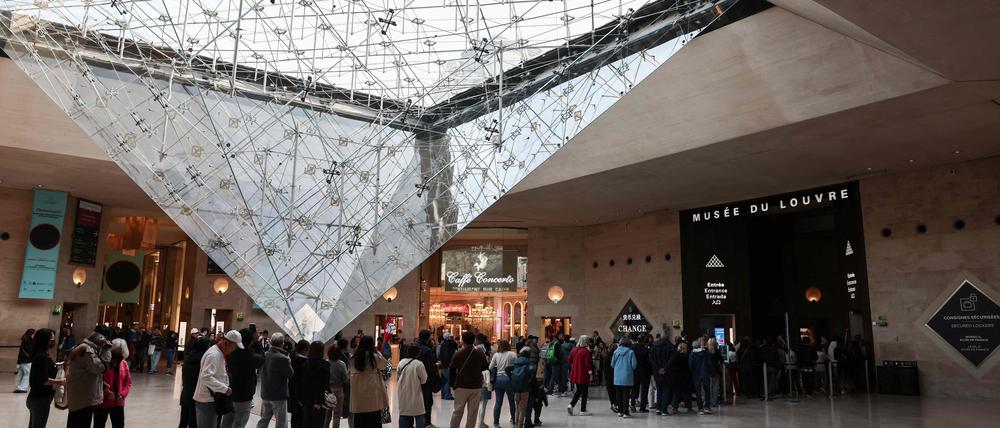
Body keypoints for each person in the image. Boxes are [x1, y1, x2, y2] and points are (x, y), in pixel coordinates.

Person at [193, 330, 242, 428]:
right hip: (206, 400)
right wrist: (224, 389)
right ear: (226, 342)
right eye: (234, 347)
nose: (233, 350)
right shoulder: (214, 355)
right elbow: (206, 377)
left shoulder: (219, 353)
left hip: (211, 399)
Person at [66, 328, 113, 428]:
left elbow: (88, 372)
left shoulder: (83, 347)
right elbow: (100, 369)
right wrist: (107, 350)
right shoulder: (88, 350)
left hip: (81, 396)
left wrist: (102, 384)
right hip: (83, 398)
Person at [224, 329, 265, 428]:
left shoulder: (230, 353)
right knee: (239, 424)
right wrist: (257, 343)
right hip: (244, 396)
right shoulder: (250, 356)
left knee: (226, 422)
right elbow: (262, 358)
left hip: (229, 392)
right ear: (251, 341)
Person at [349, 336, 390, 428]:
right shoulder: (374, 357)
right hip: (373, 396)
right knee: (373, 421)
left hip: (358, 397)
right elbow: (384, 365)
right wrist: (377, 352)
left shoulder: (354, 357)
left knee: (359, 420)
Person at [450, 332, 489, 428]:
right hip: (475, 386)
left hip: (461, 386)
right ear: (474, 341)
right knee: (472, 413)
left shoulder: (458, 354)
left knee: (457, 411)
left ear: (463, 341)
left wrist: (452, 385)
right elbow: (485, 367)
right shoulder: (480, 354)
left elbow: (452, 370)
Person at [94, 339, 132, 428]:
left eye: (120, 352)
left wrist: (122, 395)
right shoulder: (103, 363)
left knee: (119, 425)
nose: (117, 354)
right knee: (99, 425)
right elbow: (96, 379)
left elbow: (128, 381)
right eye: (115, 351)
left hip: (118, 401)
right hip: (102, 401)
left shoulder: (124, 363)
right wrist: (106, 392)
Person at [27, 328, 61, 428]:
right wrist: (62, 381)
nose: (53, 342)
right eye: (51, 340)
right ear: (45, 341)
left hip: (36, 397)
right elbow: (44, 380)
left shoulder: (39, 354)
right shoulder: (43, 357)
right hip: (40, 399)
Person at [258, 333, 293, 428]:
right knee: (281, 423)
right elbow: (290, 374)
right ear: (282, 343)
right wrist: (289, 362)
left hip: (265, 393)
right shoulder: (283, 358)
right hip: (278, 395)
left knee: (264, 419)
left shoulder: (264, 355)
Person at [180, 336, 211, 428]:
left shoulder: (188, 358)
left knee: (183, 421)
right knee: (194, 421)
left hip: (186, 392)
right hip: (197, 394)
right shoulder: (204, 360)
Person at [397, 344, 428, 428]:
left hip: (403, 391)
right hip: (415, 392)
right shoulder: (419, 364)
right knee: (419, 414)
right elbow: (424, 379)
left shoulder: (401, 362)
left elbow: (398, 377)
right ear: (417, 353)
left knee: (404, 413)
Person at [301, 342, 331, 428]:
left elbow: (302, 382)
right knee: (318, 423)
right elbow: (323, 385)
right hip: (318, 400)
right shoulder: (324, 365)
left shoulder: (305, 363)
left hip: (306, 399)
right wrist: (319, 402)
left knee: (306, 422)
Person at [415, 330, 441, 427]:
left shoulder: (414, 348)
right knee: (427, 401)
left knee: (417, 401)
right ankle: (427, 422)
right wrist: (437, 365)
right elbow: (431, 367)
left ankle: (418, 422)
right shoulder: (428, 350)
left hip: (415, 379)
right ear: (428, 338)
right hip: (426, 379)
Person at [490, 340, 518, 427]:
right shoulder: (512, 354)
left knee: (498, 402)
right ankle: (513, 420)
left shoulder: (496, 355)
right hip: (509, 379)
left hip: (498, 380)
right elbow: (517, 366)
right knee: (511, 401)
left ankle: (496, 423)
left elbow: (490, 367)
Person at [510, 347, 536, 428]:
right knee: (522, 410)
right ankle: (520, 426)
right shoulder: (529, 363)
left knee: (517, 408)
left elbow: (507, 368)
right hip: (525, 389)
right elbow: (532, 371)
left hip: (516, 388)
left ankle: (516, 425)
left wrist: (511, 376)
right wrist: (529, 379)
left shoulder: (516, 363)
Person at [324, 342, 349, 428]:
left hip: (327, 389)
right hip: (338, 389)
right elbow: (345, 380)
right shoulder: (341, 364)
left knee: (327, 414)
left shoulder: (325, 363)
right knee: (337, 414)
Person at [611, 338, 637, 418]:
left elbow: (612, 364)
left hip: (617, 377)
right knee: (626, 395)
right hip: (627, 376)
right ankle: (626, 412)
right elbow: (634, 365)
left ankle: (620, 411)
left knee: (619, 395)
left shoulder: (616, 352)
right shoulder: (631, 352)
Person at [566, 335, 592, 416]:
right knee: (585, 392)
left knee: (579, 390)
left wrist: (575, 364)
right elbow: (587, 364)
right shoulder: (586, 351)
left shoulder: (574, 350)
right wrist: (590, 373)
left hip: (575, 373)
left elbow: (569, 360)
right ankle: (583, 410)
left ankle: (571, 405)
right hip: (583, 374)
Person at [650, 333, 675, 415]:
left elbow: (651, 359)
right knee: (666, 391)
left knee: (659, 390)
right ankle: (664, 409)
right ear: (668, 337)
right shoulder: (671, 346)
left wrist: (658, 368)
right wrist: (665, 368)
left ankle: (658, 408)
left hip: (657, 372)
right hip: (667, 372)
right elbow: (671, 359)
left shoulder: (654, 345)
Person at [667, 342, 693, 415]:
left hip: (676, 377)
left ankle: (674, 407)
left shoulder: (675, 355)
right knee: (686, 393)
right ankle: (689, 408)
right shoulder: (686, 356)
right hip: (685, 377)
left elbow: (670, 365)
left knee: (677, 393)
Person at [290, 340, 310, 428]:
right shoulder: (305, 362)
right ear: (305, 350)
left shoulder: (292, 358)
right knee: (301, 418)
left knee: (294, 417)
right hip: (302, 395)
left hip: (293, 392)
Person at [688, 338, 711, 414]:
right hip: (705, 374)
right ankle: (707, 407)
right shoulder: (705, 353)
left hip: (696, 375)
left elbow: (690, 365)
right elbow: (709, 363)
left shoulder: (692, 354)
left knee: (698, 392)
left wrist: (692, 373)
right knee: (707, 391)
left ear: (693, 347)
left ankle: (700, 409)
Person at [630, 335, 651, 413]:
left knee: (634, 389)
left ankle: (632, 405)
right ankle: (642, 407)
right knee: (644, 391)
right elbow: (648, 362)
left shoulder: (632, 348)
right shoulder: (646, 350)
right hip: (644, 373)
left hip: (634, 371)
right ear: (644, 341)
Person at [438, 332, 458, 401]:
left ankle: (444, 394)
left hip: (444, 365)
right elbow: (446, 356)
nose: (451, 338)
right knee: (447, 380)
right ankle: (447, 395)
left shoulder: (444, 344)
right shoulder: (446, 345)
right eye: (450, 337)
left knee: (444, 379)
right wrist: (449, 364)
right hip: (446, 365)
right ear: (447, 338)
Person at [705, 338, 724, 408]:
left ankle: (708, 401)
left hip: (708, 371)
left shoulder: (706, 351)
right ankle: (714, 402)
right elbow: (721, 360)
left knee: (708, 387)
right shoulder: (717, 351)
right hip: (716, 371)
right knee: (715, 387)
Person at [15, 328, 35, 393]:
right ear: (31, 334)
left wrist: (18, 362)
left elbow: (20, 353)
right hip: (27, 360)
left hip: (23, 360)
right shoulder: (28, 341)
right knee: (28, 374)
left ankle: (18, 387)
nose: (34, 335)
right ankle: (22, 388)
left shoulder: (25, 340)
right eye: (34, 334)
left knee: (21, 374)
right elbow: (30, 351)